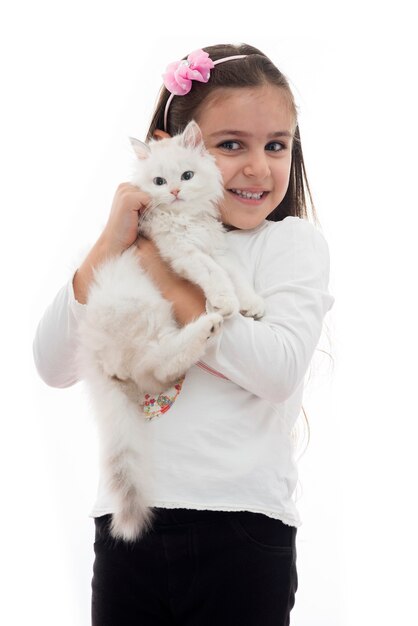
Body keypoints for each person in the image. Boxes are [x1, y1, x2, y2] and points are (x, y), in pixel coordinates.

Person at [33, 43, 335, 626]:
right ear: (173, 148)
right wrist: (107, 246)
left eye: (276, 145)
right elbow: (52, 364)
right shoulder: (126, 248)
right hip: (130, 522)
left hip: (242, 525)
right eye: (230, 145)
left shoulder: (290, 244)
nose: (256, 166)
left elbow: (276, 372)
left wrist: (167, 275)